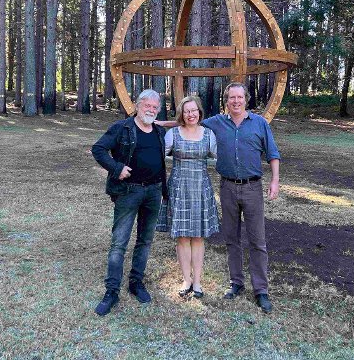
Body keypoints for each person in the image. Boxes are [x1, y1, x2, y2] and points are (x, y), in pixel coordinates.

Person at [156, 82, 280, 313]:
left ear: (246, 99)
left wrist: (275, 180)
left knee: (257, 240)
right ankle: (236, 283)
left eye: (239, 97)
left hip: (253, 187)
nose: (235, 101)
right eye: (231, 97)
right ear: (226, 100)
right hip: (227, 187)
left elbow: (273, 153)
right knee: (231, 238)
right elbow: (188, 120)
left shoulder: (260, 124)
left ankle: (261, 290)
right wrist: (161, 123)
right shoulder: (217, 123)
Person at [91, 89, 168, 316]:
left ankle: (136, 283)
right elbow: (98, 149)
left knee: (145, 241)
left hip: (154, 193)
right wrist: (117, 168)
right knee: (119, 243)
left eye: (155, 107)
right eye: (148, 106)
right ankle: (111, 291)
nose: (151, 110)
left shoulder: (159, 132)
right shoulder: (122, 128)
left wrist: (163, 191)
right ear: (137, 105)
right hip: (128, 192)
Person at [156, 96, 219, 298]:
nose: (190, 114)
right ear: (181, 114)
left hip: (201, 188)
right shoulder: (172, 134)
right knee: (182, 237)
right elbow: (157, 157)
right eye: (186, 111)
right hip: (178, 187)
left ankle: (198, 282)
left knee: (198, 237)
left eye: (193, 110)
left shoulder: (209, 134)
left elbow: (221, 156)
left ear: (199, 112)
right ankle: (186, 279)